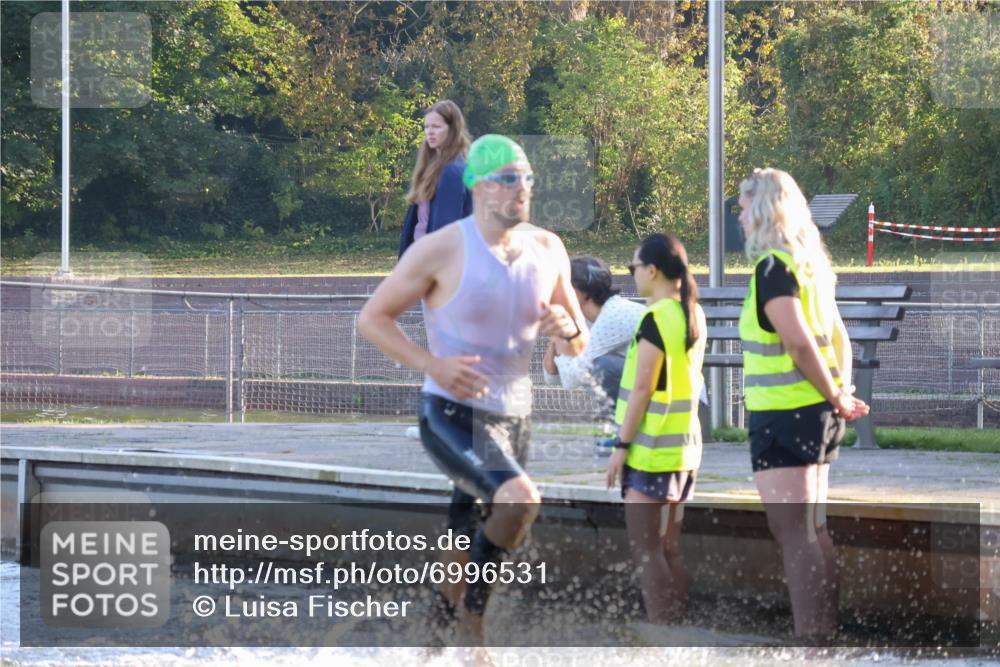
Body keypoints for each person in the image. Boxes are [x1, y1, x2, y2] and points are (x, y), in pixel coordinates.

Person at [358, 134, 588, 661]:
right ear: (478, 186)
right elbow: (372, 318)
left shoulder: (548, 249)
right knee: (518, 499)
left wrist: (565, 328)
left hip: (514, 416)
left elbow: (579, 339)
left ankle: (433, 636)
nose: (521, 189)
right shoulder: (441, 248)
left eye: (527, 177)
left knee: (464, 534)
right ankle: (471, 624)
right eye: (508, 178)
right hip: (451, 411)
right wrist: (430, 364)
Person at [736, 168, 869, 640]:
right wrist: (841, 392)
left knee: (793, 533)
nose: (739, 214)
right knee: (814, 529)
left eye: (744, 204)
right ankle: (824, 633)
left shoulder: (773, 267)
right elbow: (839, 338)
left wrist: (835, 394)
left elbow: (797, 342)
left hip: (785, 416)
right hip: (816, 413)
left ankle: (810, 639)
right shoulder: (811, 265)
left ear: (766, 208)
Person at [605, 233, 706, 625]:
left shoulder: (655, 319)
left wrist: (621, 445)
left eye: (633, 267)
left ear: (652, 270)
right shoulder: (691, 313)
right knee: (669, 549)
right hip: (684, 449)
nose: (632, 275)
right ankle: (678, 629)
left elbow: (643, 389)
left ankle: (662, 637)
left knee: (647, 551)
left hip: (650, 452)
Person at [542, 256, 645, 408]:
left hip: (666, 390)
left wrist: (564, 338)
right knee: (589, 366)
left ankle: (625, 426)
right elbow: (552, 378)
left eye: (562, 287)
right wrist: (557, 339)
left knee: (597, 367)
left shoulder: (613, 316)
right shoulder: (587, 320)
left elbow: (570, 379)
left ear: (581, 292)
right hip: (649, 386)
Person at [398, 99, 473, 258]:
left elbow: (445, 233)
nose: (429, 132)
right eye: (426, 127)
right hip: (420, 259)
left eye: (436, 127)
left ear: (453, 130)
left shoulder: (452, 171)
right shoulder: (431, 167)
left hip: (434, 265)